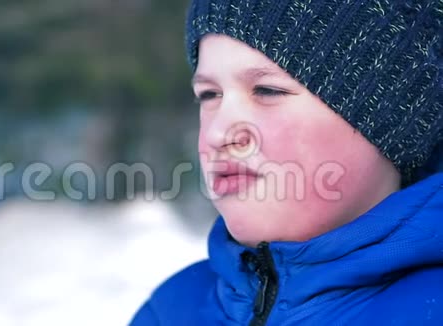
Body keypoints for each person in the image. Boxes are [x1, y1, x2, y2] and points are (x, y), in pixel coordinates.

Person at [130, 0, 443, 325]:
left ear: (390, 119)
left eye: (266, 90)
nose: (219, 132)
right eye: (209, 95)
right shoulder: (170, 311)